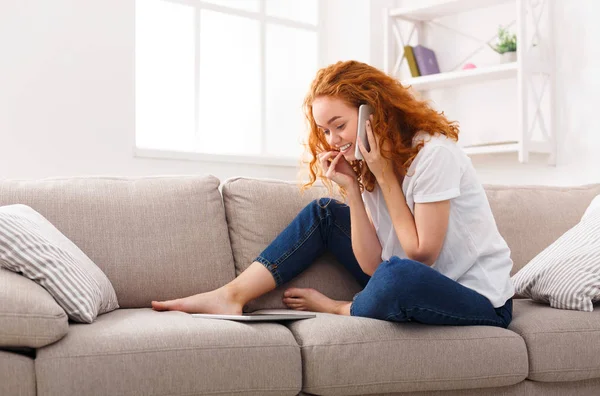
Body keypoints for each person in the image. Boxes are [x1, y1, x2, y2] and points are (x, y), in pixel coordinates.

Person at [152, 60, 515, 327]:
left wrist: (384, 175)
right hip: (407, 276)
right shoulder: (370, 162)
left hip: (479, 300)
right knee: (326, 212)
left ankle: (342, 308)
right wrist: (354, 190)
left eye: (339, 125)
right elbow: (374, 265)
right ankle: (231, 295)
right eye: (325, 130)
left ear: (375, 112)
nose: (333, 140)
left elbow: (421, 255)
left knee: (398, 276)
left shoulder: (434, 154)